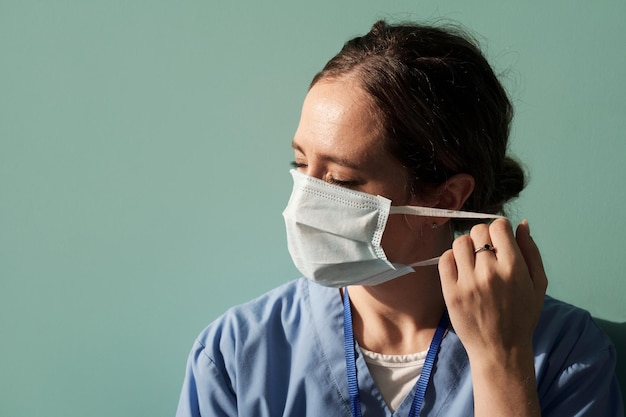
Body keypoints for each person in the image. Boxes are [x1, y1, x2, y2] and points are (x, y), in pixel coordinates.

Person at [176, 20, 623, 416]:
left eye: (342, 180)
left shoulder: (566, 354)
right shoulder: (235, 355)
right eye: (300, 164)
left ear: (446, 200)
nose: (305, 199)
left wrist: (501, 363)